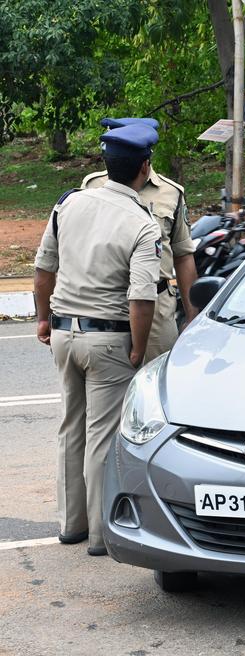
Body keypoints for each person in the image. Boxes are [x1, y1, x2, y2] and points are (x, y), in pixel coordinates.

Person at [33, 124, 161, 557]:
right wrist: (139, 349)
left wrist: (42, 319)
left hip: (65, 331)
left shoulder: (69, 203)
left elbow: (43, 268)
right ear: (145, 167)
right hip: (108, 338)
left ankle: (70, 524)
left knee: (71, 427)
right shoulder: (141, 221)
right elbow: (141, 297)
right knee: (103, 435)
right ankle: (100, 534)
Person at [81, 117, 196, 361]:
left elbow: (183, 255)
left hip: (156, 307)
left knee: (156, 384)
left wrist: (193, 317)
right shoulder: (93, 186)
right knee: (107, 390)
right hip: (106, 303)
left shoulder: (171, 192)